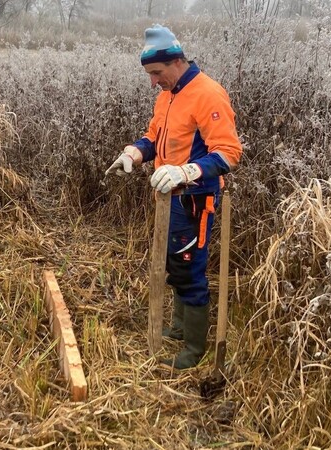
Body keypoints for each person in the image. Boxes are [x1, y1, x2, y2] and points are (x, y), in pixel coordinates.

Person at [106, 25, 243, 369]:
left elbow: (228, 153)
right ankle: (181, 328)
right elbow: (155, 138)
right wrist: (134, 154)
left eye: (156, 73)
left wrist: (186, 172)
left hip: (196, 201)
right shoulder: (168, 95)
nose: (153, 81)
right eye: (150, 75)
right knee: (175, 265)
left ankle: (194, 351)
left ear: (177, 61)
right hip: (169, 200)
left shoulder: (208, 94)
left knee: (189, 270)